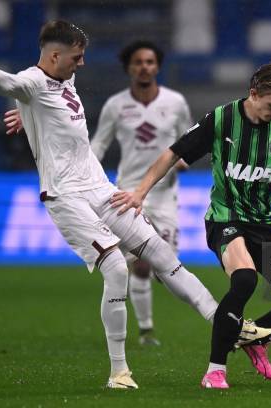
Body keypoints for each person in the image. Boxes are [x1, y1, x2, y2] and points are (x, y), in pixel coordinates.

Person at [0, 20, 271, 390]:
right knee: (116, 268)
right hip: (66, 195)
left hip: (101, 188)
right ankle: (118, 372)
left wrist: (28, 117)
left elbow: (46, 109)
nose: (82, 64)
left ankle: (232, 327)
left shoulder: (64, 82)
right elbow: (9, 84)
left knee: (163, 255)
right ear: (55, 55)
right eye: (76, 57)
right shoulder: (32, 80)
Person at [112, 62, 271, 389]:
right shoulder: (222, 119)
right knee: (245, 279)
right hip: (226, 219)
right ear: (253, 94)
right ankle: (215, 371)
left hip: (265, 224)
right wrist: (139, 193)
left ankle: (256, 334)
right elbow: (172, 154)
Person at [90, 40, 192, 346]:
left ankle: (152, 318)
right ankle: (146, 329)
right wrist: (87, 172)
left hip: (164, 196)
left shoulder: (175, 103)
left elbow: (190, 138)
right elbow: (99, 145)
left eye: (149, 61)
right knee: (141, 264)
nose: (144, 67)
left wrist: (186, 158)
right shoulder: (116, 106)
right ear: (128, 68)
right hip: (128, 194)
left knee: (166, 269)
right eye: (138, 62)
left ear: (157, 67)